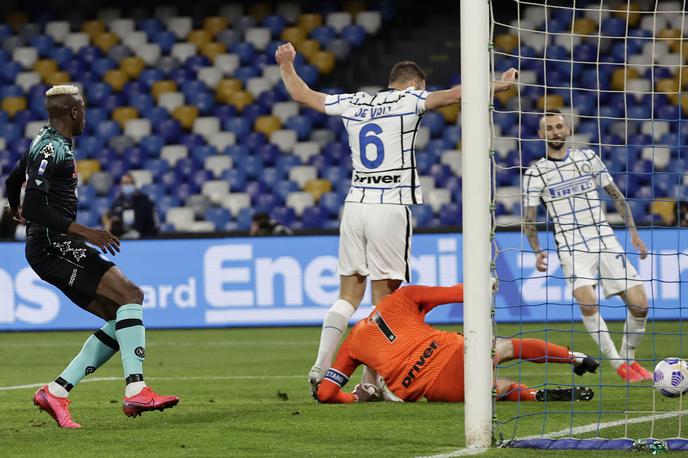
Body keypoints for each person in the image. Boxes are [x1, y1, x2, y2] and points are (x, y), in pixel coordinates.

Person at [275, 42, 518, 394]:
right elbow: (454, 95)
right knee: (387, 302)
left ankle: (322, 366)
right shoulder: (411, 100)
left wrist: (286, 65)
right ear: (415, 85)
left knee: (348, 293)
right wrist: (499, 84)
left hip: (354, 203)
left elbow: (303, 95)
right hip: (389, 204)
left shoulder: (354, 101)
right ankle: (378, 380)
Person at [3, 85, 178, 428]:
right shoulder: (52, 148)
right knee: (131, 295)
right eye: (82, 109)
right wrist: (86, 231)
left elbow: (13, 179)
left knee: (121, 316)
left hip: (51, 245)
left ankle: (56, 392)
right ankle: (136, 390)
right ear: (73, 112)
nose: (85, 116)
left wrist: (12, 206)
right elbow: (35, 205)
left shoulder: (46, 141)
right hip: (54, 244)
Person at [523, 109, 651, 383]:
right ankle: (619, 365)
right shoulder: (535, 173)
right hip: (571, 247)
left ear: (567, 129)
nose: (556, 131)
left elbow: (616, 196)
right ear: (541, 135)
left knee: (640, 306)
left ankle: (629, 358)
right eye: (550, 128)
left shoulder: (588, 158)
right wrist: (537, 250)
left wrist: (634, 233)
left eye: (559, 126)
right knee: (587, 303)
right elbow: (529, 220)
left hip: (604, 239)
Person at [316, 283, 598, 403]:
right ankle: (573, 357)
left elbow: (327, 394)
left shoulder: (352, 342)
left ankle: (531, 395)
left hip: (436, 388)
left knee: (497, 388)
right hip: (454, 352)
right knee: (504, 347)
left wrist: (353, 397)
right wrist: (488, 284)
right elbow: (463, 292)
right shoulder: (405, 296)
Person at [105, 173, 159, 239]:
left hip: (143, 239)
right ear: (121, 185)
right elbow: (111, 225)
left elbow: (153, 223)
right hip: (123, 239)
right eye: (125, 183)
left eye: (130, 183)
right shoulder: (116, 203)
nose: (127, 185)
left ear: (134, 184)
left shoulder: (145, 201)